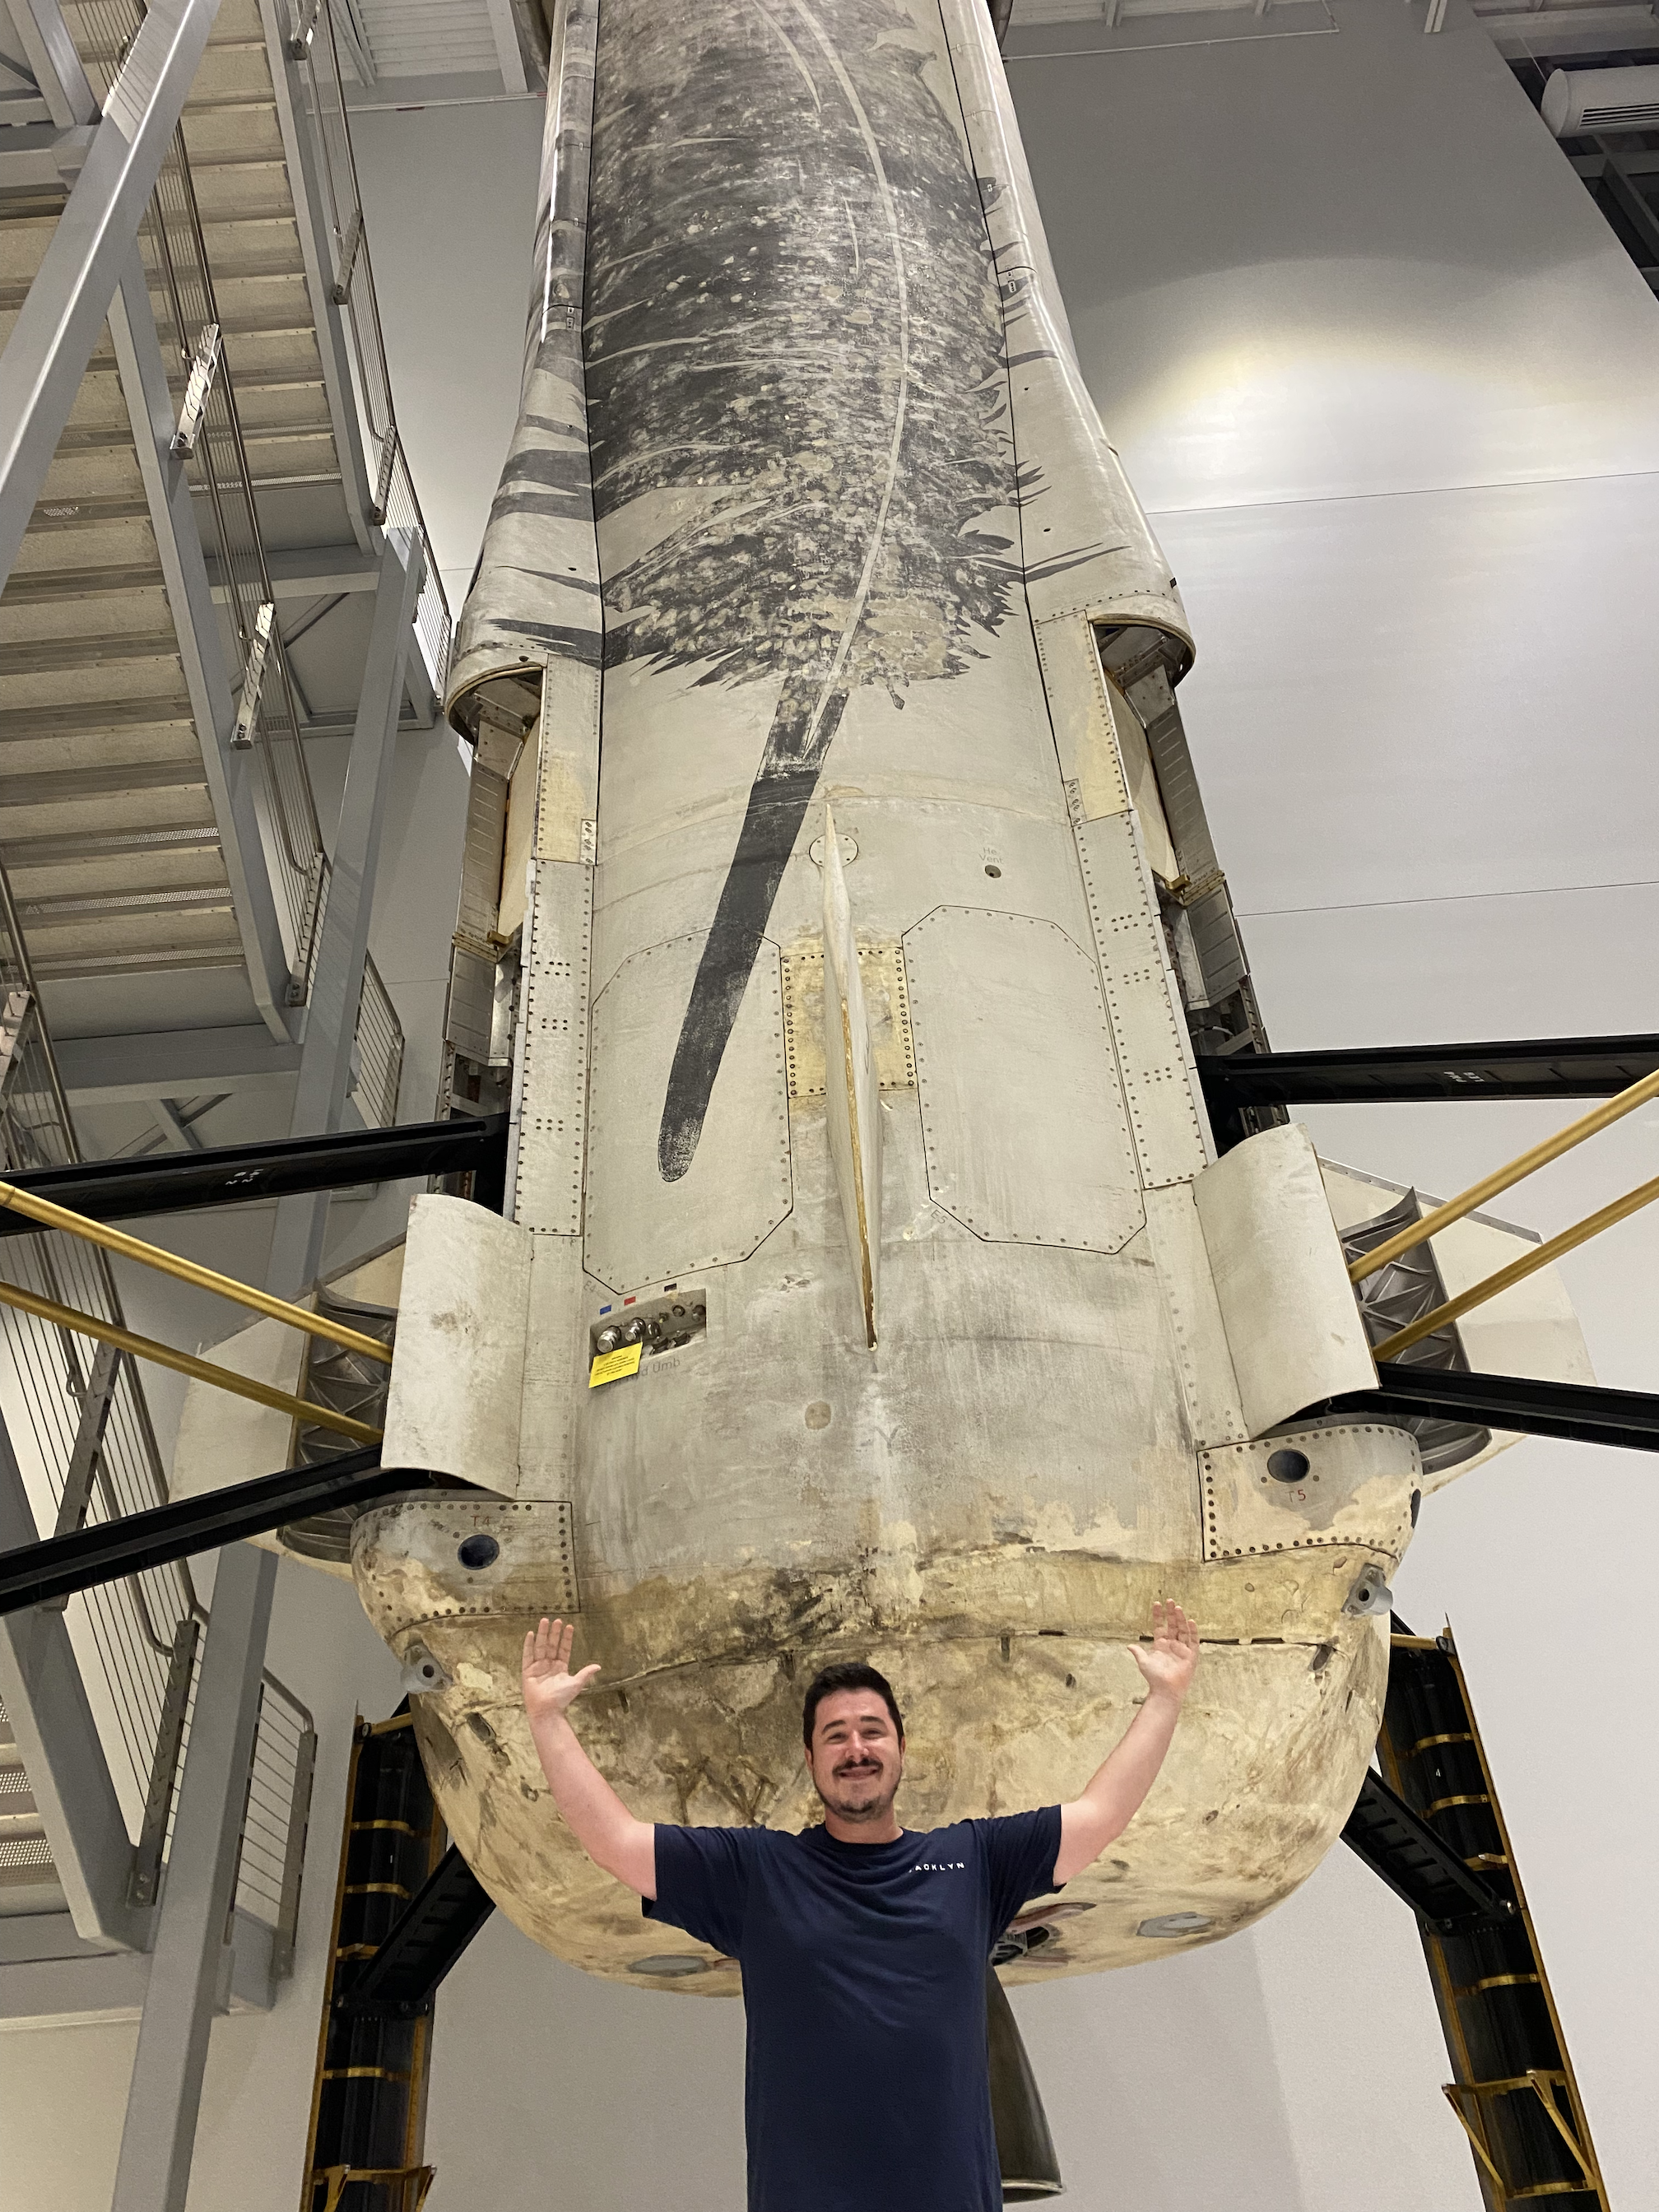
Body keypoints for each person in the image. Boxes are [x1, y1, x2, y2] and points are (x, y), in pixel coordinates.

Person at [522, 1601, 1200, 2212]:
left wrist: (1165, 1699)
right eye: (836, 1735)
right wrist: (547, 1720)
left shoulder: (974, 1862)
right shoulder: (756, 1873)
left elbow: (1099, 1815)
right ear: (811, 1757)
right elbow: (614, 1841)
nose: (856, 1750)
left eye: (872, 1732)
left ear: (901, 1748)